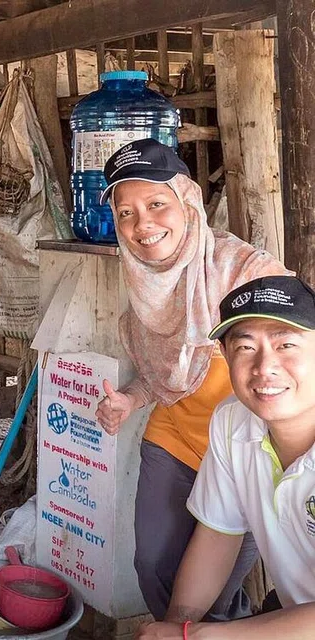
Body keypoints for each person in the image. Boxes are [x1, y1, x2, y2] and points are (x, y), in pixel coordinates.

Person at [94, 139, 289, 621]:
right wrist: (131, 398)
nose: (142, 224)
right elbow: (168, 373)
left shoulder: (245, 271)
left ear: (187, 200)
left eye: (157, 204)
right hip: (175, 438)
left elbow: (294, 354)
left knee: (214, 595)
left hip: (248, 451)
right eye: (126, 213)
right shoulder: (143, 274)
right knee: (154, 566)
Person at [137, 275, 315, 640]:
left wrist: (202, 635)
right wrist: (178, 624)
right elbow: (218, 534)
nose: (264, 367)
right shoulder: (233, 421)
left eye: (286, 344)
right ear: (225, 355)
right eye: (245, 347)